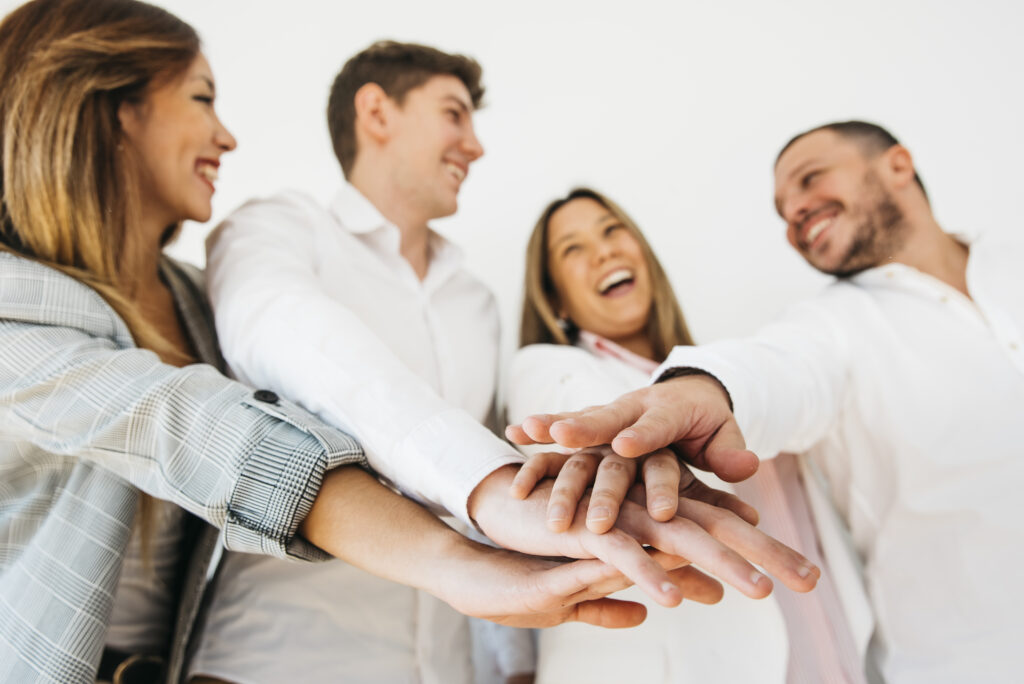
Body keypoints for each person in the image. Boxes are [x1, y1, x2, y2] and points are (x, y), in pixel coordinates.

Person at [0, 3, 702, 683]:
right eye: (202, 98)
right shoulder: (272, 236)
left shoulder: (192, 298)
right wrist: (475, 510)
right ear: (115, 106)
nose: (228, 135)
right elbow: (201, 424)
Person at [198, 40, 819, 684]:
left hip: (442, 666)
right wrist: (486, 485)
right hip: (276, 659)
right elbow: (297, 341)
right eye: (454, 114)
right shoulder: (276, 229)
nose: (475, 146)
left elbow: (532, 476)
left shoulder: (476, 305)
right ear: (378, 112)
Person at [509, 122, 1024, 684]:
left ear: (899, 165)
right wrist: (703, 388)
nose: (796, 214)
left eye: (810, 180)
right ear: (555, 294)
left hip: (831, 657)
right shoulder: (823, 328)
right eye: (573, 249)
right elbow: (775, 371)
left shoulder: (1009, 262)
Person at [506, 187, 866, 683]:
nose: (604, 251)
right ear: (556, 300)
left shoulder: (727, 373)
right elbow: (576, 420)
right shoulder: (548, 366)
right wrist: (618, 442)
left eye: (613, 231)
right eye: (573, 248)